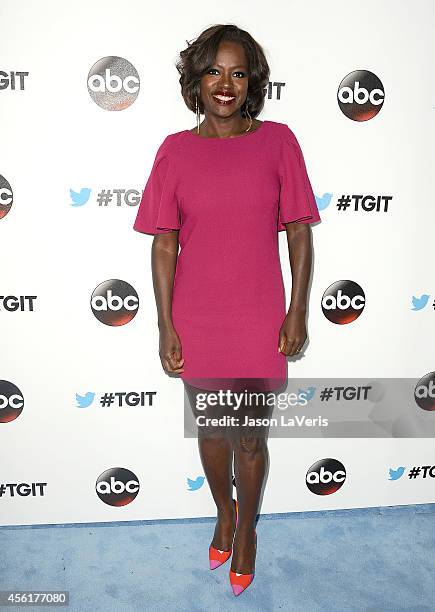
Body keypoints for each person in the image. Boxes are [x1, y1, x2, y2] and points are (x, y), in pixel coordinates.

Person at [132, 24, 321, 596]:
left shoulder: (279, 141)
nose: (225, 84)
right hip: (198, 317)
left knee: (249, 439)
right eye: (214, 71)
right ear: (196, 80)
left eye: (238, 73)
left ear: (252, 83)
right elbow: (164, 242)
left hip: (260, 316)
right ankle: (223, 511)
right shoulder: (175, 150)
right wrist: (166, 322)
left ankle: (247, 535)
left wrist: (296, 312)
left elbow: (298, 234)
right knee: (213, 431)